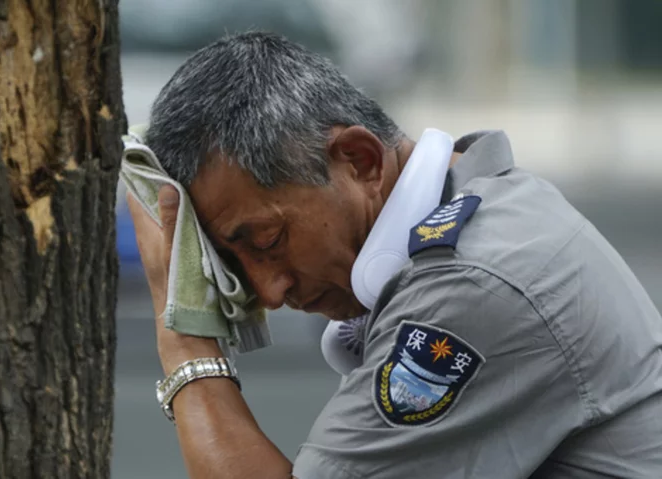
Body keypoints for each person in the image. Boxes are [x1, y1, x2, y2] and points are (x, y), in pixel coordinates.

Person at [127, 32, 662, 478]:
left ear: (359, 160)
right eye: (232, 264)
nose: (270, 290)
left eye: (267, 241)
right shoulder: (481, 200)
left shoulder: (469, 286)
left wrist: (185, 340)